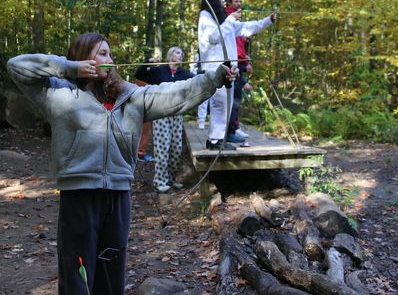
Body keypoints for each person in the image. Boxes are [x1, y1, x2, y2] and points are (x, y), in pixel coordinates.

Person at [7, 33, 236, 295]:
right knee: (77, 269)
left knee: (111, 268)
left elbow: (177, 93)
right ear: (83, 57)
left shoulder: (131, 96)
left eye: (110, 54)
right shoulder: (58, 92)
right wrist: (71, 68)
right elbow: (17, 65)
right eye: (101, 53)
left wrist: (216, 77)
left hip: (118, 195)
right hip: (79, 194)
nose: (109, 59)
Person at [198, 0, 275, 150]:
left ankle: (218, 139)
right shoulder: (206, 16)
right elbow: (214, 37)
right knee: (220, 104)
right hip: (215, 68)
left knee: (226, 104)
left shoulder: (223, 19)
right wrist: (231, 19)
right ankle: (214, 140)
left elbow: (247, 28)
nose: (222, 0)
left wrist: (268, 20)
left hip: (229, 69)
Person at [135, 46, 194, 192]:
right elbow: (139, 74)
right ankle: (160, 181)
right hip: (161, 114)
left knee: (176, 149)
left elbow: (200, 78)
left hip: (177, 115)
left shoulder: (184, 74)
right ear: (170, 55)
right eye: (177, 52)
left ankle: (171, 179)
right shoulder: (159, 71)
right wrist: (149, 61)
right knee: (163, 148)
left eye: (182, 53)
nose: (181, 55)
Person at [225, 0, 254, 143]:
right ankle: (230, 131)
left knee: (237, 99)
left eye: (240, 1)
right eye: (236, 1)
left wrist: (247, 61)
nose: (239, 4)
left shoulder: (237, 19)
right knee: (233, 100)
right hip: (233, 64)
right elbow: (232, 46)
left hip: (241, 63)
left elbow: (242, 45)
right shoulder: (228, 18)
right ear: (229, 2)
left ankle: (234, 128)